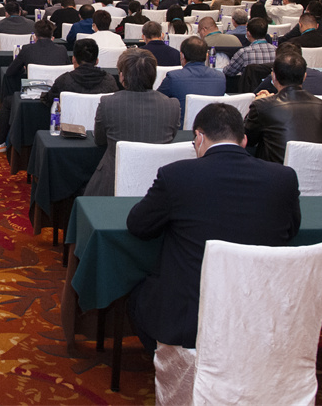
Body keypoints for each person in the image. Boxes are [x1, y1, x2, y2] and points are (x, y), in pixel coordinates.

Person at [126, 103, 301, 352]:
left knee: (137, 297)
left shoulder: (176, 175)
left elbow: (138, 225)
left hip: (191, 322)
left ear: (199, 137)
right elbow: (291, 230)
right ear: (244, 140)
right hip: (259, 317)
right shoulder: (283, 178)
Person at [83, 48, 180, 196]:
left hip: (112, 182)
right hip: (160, 183)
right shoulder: (172, 105)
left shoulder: (108, 103)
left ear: (122, 76)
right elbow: (171, 137)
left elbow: (100, 140)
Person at [0, 21, 72, 153]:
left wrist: (24, 68)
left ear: (34, 36)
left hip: (33, 97)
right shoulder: (62, 50)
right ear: (52, 36)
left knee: (6, 102)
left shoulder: (27, 49)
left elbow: (10, 72)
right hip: (57, 97)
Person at [245, 50, 322, 163]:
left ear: (273, 76)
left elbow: (246, 140)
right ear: (304, 77)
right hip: (315, 169)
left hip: (278, 171)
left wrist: (258, 103)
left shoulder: (263, 106)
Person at [157, 36, 225, 124]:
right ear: (206, 55)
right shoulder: (220, 78)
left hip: (180, 130)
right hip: (212, 129)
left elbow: (156, 101)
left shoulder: (173, 78)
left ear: (182, 55)